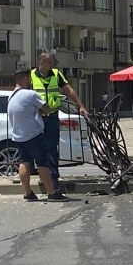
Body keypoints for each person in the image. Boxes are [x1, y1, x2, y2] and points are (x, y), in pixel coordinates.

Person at [7, 70, 68, 202]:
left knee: (24, 162)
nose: (30, 81)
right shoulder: (30, 94)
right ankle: (51, 192)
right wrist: (52, 108)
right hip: (33, 135)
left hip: (18, 135)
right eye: (28, 79)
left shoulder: (11, 96)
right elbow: (46, 107)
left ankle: (28, 192)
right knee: (43, 163)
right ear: (24, 79)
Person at [31, 53, 87, 191]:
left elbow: (68, 90)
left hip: (52, 117)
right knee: (39, 148)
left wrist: (80, 105)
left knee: (52, 148)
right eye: (49, 62)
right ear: (41, 62)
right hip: (37, 118)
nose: (52, 65)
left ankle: (53, 177)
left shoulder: (56, 74)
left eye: (52, 62)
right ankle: (43, 176)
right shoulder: (31, 75)